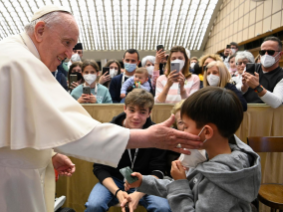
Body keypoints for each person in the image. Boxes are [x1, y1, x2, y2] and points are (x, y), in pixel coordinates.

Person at [0, 6, 202, 212]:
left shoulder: (14, 54)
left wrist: (49, 154)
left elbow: (21, 125)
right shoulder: (17, 62)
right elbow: (70, 125)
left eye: (73, 45)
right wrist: (147, 137)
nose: (69, 54)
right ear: (39, 31)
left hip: (8, 170)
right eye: (66, 43)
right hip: (4, 179)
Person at [123, 87, 261, 212]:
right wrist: (143, 182)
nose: (182, 131)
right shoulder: (210, 156)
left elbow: (184, 188)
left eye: (186, 127)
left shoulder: (220, 178)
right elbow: (189, 188)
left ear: (206, 132)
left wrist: (179, 182)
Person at [85, 89, 171, 212]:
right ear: (125, 108)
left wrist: (139, 193)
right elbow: (100, 168)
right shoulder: (109, 132)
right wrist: (118, 192)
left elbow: (158, 170)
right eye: (132, 110)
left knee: (163, 208)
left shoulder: (156, 135)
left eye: (142, 112)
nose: (136, 116)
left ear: (149, 113)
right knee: (94, 205)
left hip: (145, 181)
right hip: (115, 180)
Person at [241, 36, 283, 108]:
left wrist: (257, 87)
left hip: (266, 116)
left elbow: (277, 102)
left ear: (280, 55)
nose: (266, 55)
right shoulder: (250, 68)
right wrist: (244, 87)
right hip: (247, 113)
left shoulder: (281, 75)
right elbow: (239, 91)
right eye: (262, 52)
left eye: (270, 52)